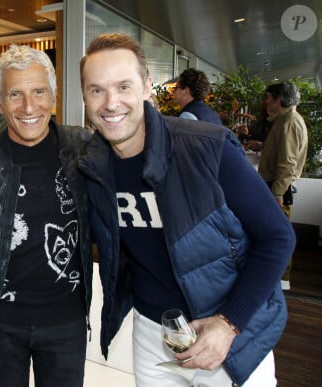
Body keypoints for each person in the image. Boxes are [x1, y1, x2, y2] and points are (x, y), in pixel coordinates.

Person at [78, 33, 295, 387]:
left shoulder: (205, 147)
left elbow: (277, 237)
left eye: (123, 86)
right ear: (85, 96)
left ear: (148, 87)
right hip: (151, 333)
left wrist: (229, 324)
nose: (110, 102)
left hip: (224, 330)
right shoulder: (93, 166)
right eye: (96, 90)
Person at [0, 44, 93, 387]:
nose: (29, 106)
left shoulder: (85, 150)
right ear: (0, 103)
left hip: (67, 321)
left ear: (53, 94)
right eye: (15, 94)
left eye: (38, 91)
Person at [246, 82, 308, 290]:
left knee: (279, 234)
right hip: (277, 186)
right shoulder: (285, 120)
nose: (265, 103)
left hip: (279, 188)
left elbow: (288, 162)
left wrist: (277, 194)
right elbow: (283, 151)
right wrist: (264, 146)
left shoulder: (289, 122)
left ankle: (281, 280)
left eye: (268, 98)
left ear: (278, 100)